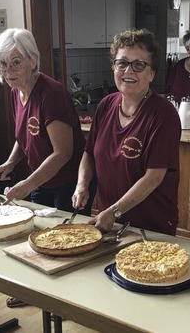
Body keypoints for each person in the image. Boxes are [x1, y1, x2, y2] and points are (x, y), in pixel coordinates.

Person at [0, 27, 87, 307]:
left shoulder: (51, 94)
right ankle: (36, 292)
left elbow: (62, 153)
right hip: (40, 180)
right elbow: (24, 136)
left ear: (33, 60)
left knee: (66, 243)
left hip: (67, 183)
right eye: (3, 63)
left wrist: (26, 184)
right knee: (37, 238)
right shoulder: (16, 92)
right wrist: (12, 161)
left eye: (16, 62)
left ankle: (68, 302)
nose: (9, 71)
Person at [72, 28, 181, 236]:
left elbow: (154, 176)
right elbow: (89, 153)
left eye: (139, 65)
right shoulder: (105, 105)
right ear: (114, 67)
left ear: (152, 73)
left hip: (150, 226)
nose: (128, 71)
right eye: (122, 63)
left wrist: (114, 211)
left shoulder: (163, 115)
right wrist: (82, 184)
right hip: (108, 222)